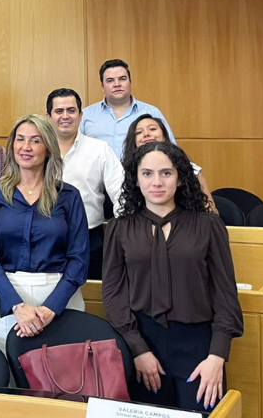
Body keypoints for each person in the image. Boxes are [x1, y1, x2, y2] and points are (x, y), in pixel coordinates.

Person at [103, 141, 243, 411]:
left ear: (179, 179)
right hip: (142, 343)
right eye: (147, 173)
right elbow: (113, 294)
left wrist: (218, 355)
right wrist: (138, 349)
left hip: (198, 344)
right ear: (136, 180)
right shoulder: (120, 228)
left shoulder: (208, 225)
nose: (157, 182)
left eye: (166, 173)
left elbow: (225, 293)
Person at [0, 114, 89, 353]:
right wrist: (17, 306)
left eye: (35, 141)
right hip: (7, 298)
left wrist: (51, 309)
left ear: (48, 148)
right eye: (20, 139)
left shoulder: (68, 196)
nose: (25, 147)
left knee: (63, 371)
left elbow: (79, 259)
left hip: (59, 298)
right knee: (7, 370)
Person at [47, 88, 123, 279]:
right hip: (44, 238)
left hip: (89, 239)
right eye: (59, 111)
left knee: (90, 293)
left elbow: (121, 192)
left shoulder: (100, 149)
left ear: (81, 115)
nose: (65, 116)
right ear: (48, 117)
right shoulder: (38, 149)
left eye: (71, 110)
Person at [80, 59, 175, 158]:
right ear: (102, 87)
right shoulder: (85, 115)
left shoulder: (152, 112)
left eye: (122, 79)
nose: (117, 84)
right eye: (110, 80)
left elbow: (171, 150)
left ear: (130, 82)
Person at [122, 114, 216, 210]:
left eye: (152, 129)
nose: (146, 134)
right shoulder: (124, 171)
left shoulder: (189, 167)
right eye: (138, 132)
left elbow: (210, 210)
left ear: (164, 136)